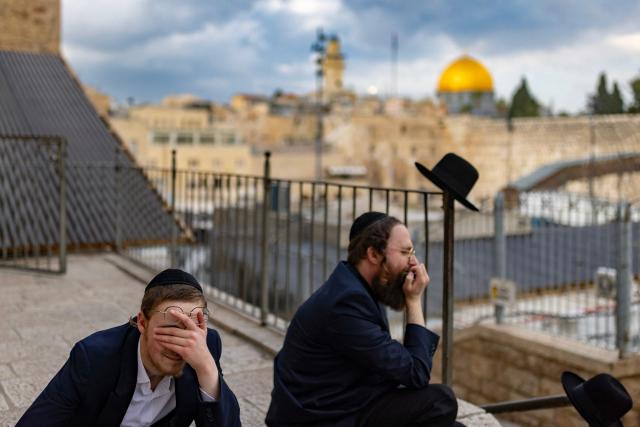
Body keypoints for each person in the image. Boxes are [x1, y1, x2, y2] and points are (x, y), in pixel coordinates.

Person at [266, 212, 460, 427]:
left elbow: (395, 368)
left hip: (343, 401)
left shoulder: (355, 287)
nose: (413, 262)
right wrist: (413, 301)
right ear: (374, 254)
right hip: (321, 417)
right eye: (405, 252)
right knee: (441, 401)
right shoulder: (346, 304)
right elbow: (416, 373)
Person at [17, 269, 241, 427]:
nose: (181, 345)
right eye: (169, 331)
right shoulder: (94, 356)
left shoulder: (204, 347)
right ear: (142, 322)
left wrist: (207, 370)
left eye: (190, 329)